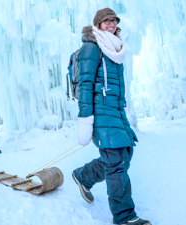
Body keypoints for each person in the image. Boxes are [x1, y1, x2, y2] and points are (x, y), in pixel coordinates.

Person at [72, 8, 151, 225]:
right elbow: (86, 85)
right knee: (116, 163)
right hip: (101, 112)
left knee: (125, 153)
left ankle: (83, 176)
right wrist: (85, 119)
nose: (111, 24)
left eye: (114, 20)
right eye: (106, 21)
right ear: (98, 24)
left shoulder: (114, 48)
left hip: (116, 111)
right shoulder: (91, 48)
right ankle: (125, 217)